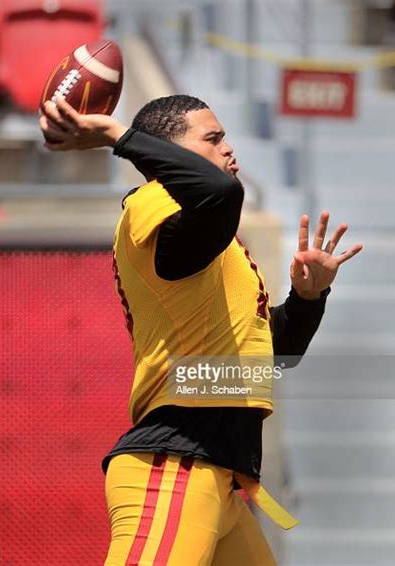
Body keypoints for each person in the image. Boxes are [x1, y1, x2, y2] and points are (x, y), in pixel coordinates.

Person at [40, 94, 362, 566]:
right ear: (168, 153)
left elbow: (274, 351)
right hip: (175, 464)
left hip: (218, 476)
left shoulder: (210, 236)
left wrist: (307, 298)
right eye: (212, 139)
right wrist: (119, 137)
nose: (229, 149)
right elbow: (221, 193)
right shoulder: (155, 202)